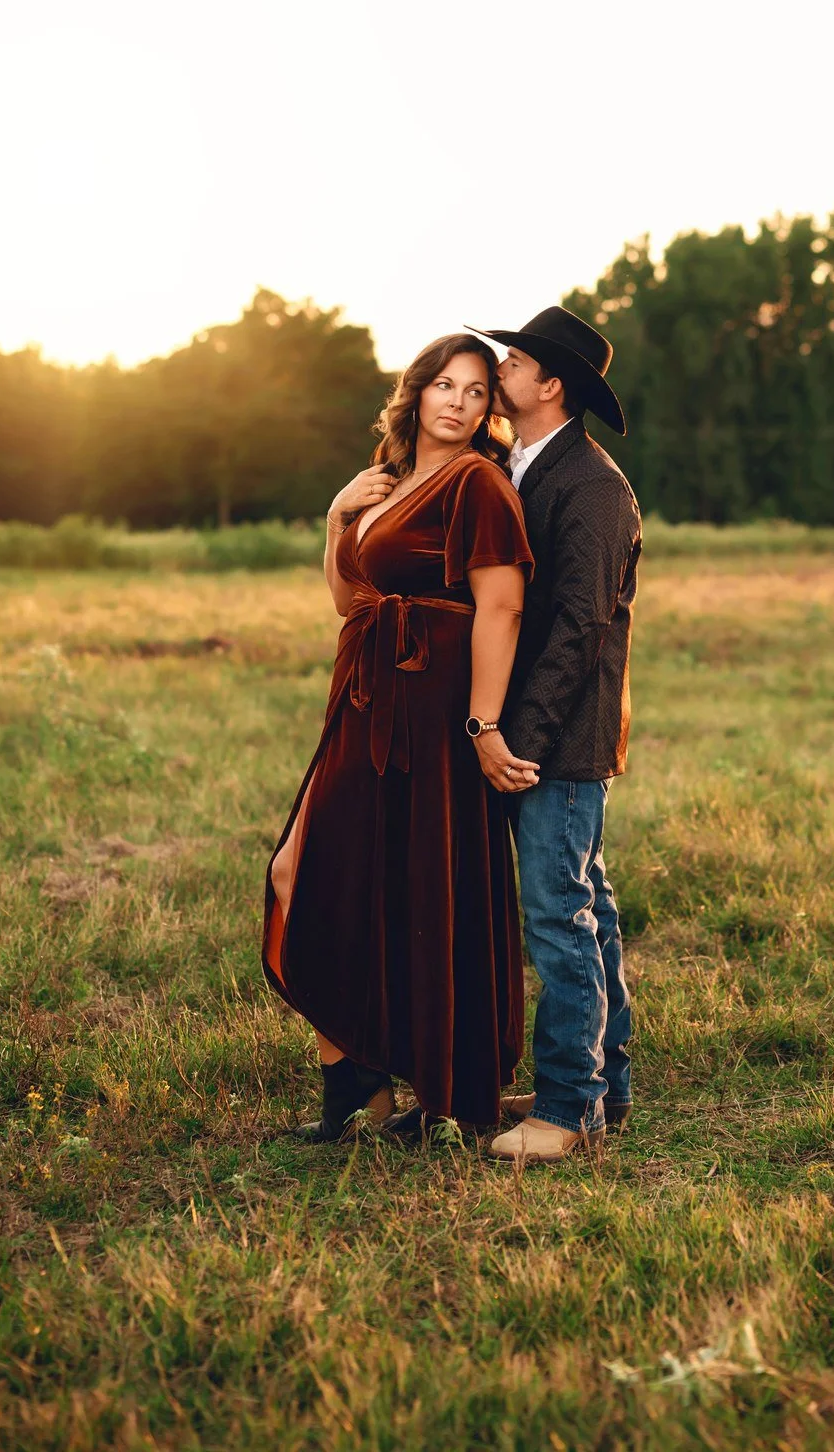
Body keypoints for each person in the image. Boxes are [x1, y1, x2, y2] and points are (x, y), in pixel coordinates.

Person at [262, 334, 539, 1144]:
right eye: (444, 385)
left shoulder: (478, 485)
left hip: (433, 712)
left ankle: (433, 1090)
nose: (457, 402)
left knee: (422, 890)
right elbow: (352, 602)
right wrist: (335, 518)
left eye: (477, 392)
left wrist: (481, 725)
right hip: (363, 695)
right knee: (300, 873)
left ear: (490, 409)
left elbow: (502, 606)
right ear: (415, 394)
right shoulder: (386, 480)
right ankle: (354, 1085)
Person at [470, 306, 642, 1164]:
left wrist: (511, 738)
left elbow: (576, 628)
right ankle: (601, 1080)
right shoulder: (524, 465)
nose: (500, 370)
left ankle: (569, 1112)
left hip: (559, 742)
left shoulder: (595, 488)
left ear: (551, 386)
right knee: (587, 906)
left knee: (558, 917)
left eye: (514, 362)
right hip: (544, 736)